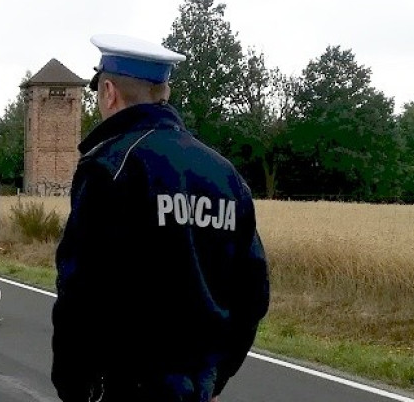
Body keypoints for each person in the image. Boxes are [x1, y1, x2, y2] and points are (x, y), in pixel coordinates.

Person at [51, 34, 270, 402]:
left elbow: (80, 292)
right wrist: (215, 377)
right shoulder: (225, 174)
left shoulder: (110, 167)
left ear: (109, 91)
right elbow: (253, 292)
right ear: (163, 92)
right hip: (196, 388)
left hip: (123, 387)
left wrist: (73, 388)